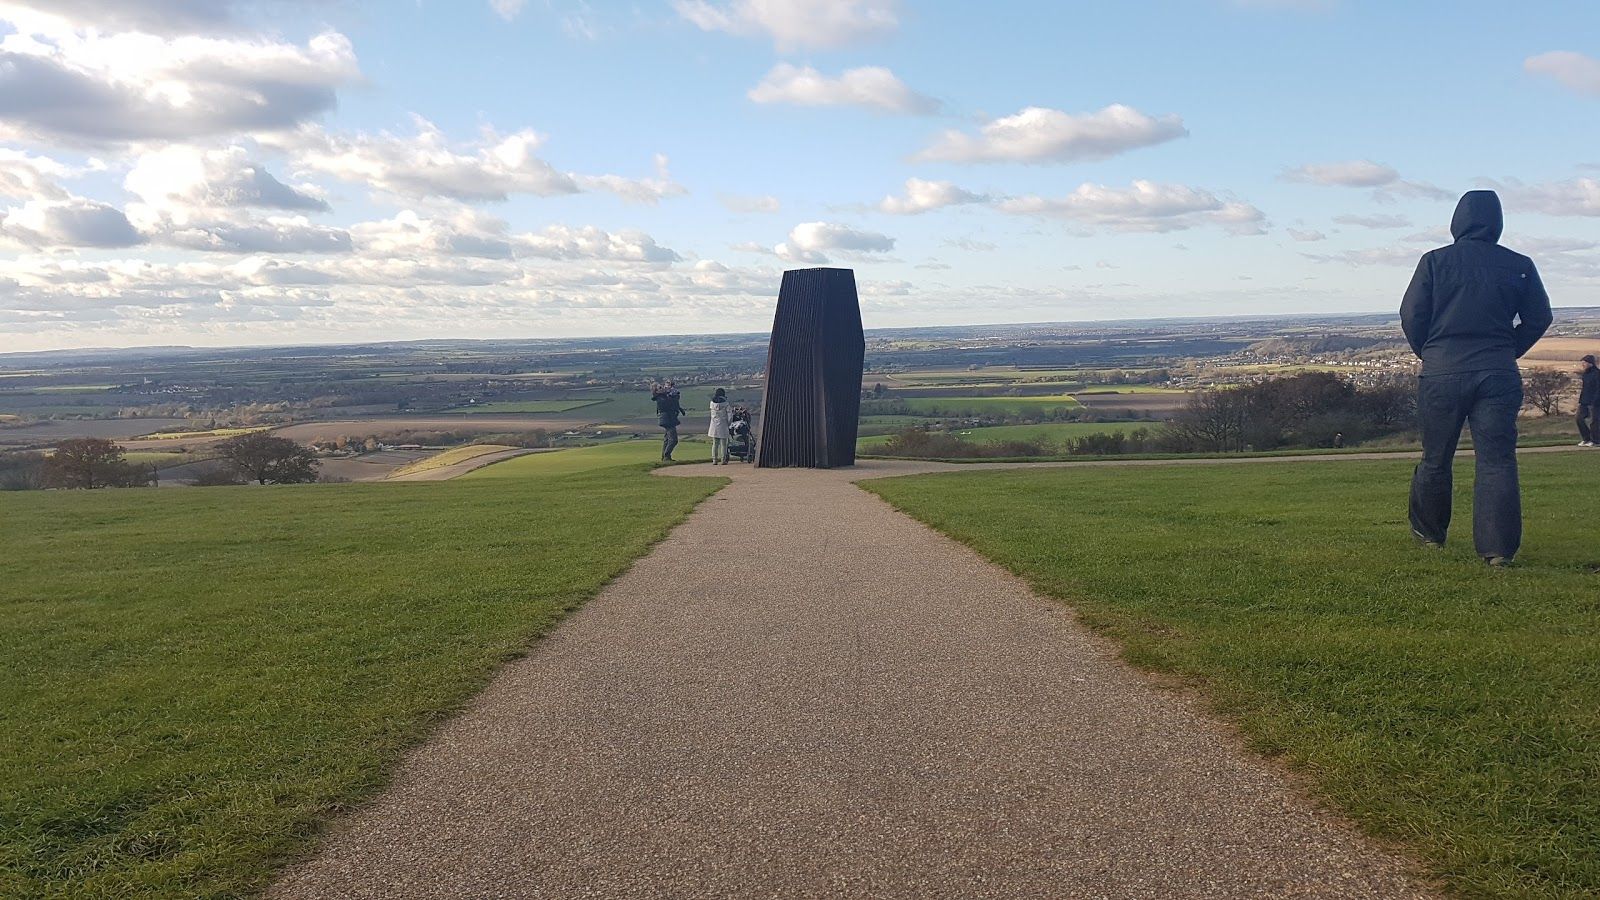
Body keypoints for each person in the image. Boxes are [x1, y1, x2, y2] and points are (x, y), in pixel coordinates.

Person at [1401, 190, 1553, 567]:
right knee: (1497, 461)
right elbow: (1539, 317)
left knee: (1436, 457)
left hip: (1442, 371)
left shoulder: (1434, 261)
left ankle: (1430, 534)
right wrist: (1508, 349)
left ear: (1457, 221)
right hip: (1497, 372)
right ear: (1497, 222)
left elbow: (1411, 315)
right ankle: (1498, 550)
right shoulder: (1518, 264)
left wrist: (1430, 353)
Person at [651, 380, 685, 461]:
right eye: (660, 387)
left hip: (667, 419)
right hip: (667, 420)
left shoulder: (663, 396)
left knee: (667, 439)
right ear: (656, 391)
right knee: (673, 440)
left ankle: (665, 457)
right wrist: (675, 395)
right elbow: (671, 403)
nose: (663, 388)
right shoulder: (661, 398)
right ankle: (666, 456)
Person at [1579, 355, 1600, 448]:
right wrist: (1581, 400)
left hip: (1595, 402)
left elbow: (1598, 388)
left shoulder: (1597, 373)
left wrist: (1595, 400)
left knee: (1594, 421)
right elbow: (1584, 388)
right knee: (1579, 418)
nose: (1583, 364)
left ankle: (1595, 440)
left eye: (1584, 362)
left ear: (1590, 363)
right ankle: (1586, 438)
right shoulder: (1585, 374)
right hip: (1584, 401)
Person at [708, 388, 732, 464]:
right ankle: (723, 460)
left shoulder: (712, 403)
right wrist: (728, 423)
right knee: (724, 444)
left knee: (715, 443)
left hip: (714, 425)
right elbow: (730, 416)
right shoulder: (726, 404)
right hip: (723, 424)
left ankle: (714, 460)